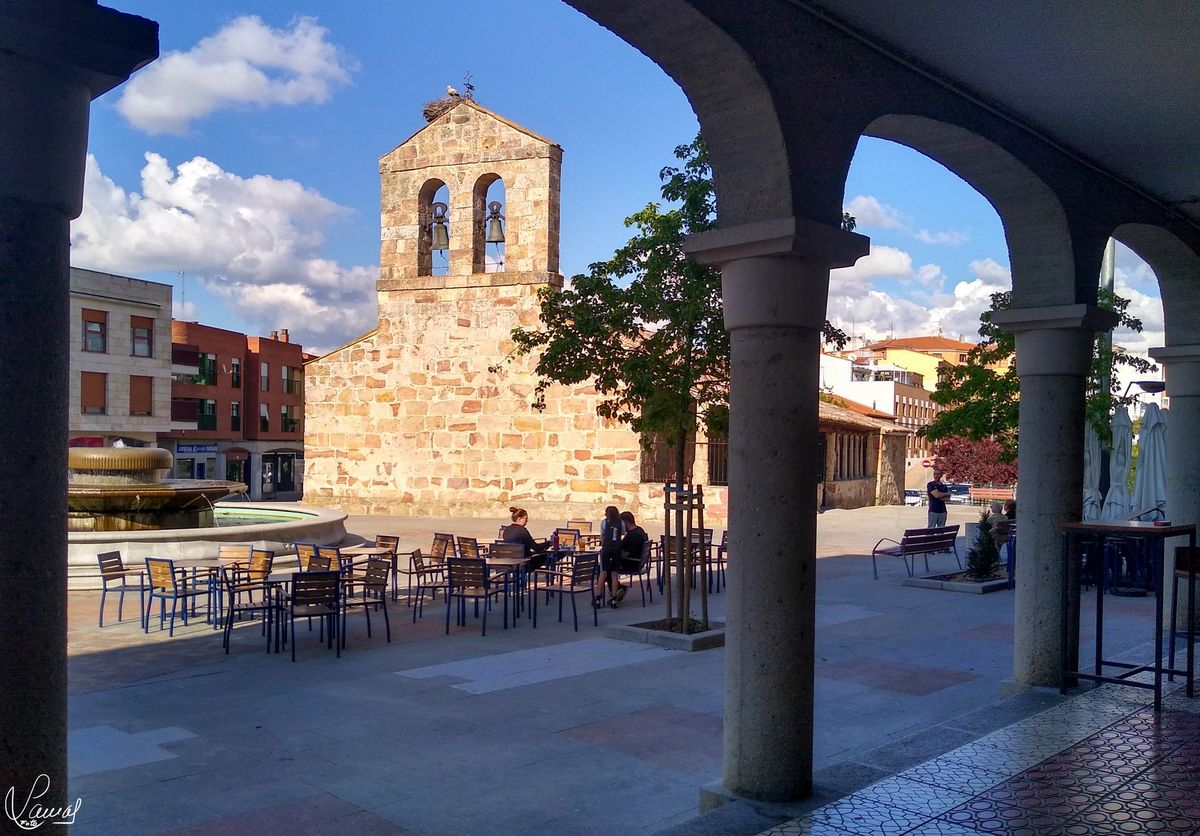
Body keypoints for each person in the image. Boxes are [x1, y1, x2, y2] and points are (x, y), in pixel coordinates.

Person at [594, 505, 625, 608]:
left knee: (603, 572)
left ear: (606, 514)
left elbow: (602, 534)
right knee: (614, 574)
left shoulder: (604, 522)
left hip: (606, 548)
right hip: (616, 548)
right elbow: (623, 532)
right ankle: (614, 599)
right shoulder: (621, 522)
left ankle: (598, 598)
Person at [618, 511, 649, 592]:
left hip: (631, 564)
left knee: (605, 568)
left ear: (626, 523)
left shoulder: (632, 536)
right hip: (639, 562)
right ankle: (617, 589)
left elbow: (624, 555)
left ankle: (618, 589)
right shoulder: (639, 530)